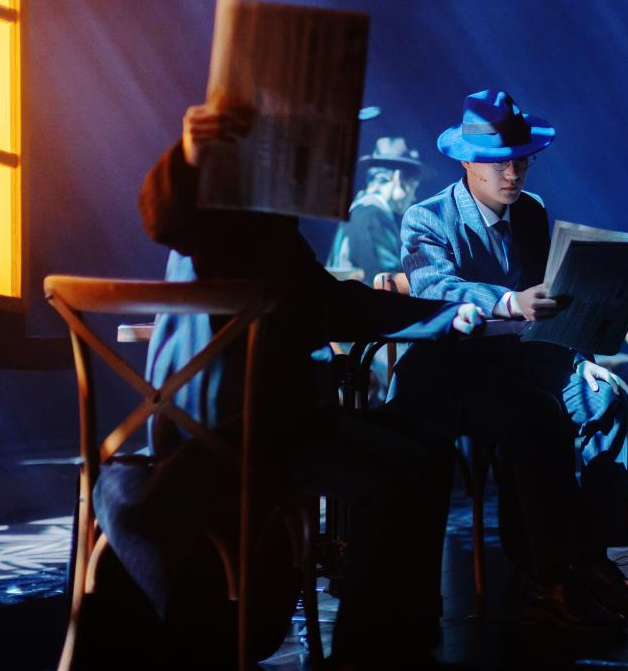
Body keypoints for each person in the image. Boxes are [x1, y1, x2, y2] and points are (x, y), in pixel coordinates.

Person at [86, 97, 483, 668]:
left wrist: (444, 315)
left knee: (420, 446)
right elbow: (167, 218)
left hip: (230, 431)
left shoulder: (263, 228)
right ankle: (373, 654)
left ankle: (385, 643)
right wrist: (191, 153)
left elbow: (331, 304)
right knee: (409, 469)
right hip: (247, 437)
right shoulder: (219, 218)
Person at [390, 89, 628, 633]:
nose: (513, 173)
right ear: (468, 161)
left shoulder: (530, 212)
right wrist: (509, 302)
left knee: (609, 399)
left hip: (525, 360)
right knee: (533, 413)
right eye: (499, 163)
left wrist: (580, 352)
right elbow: (434, 288)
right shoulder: (428, 218)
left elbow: (550, 296)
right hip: (453, 372)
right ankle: (549, 576)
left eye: (522, 160)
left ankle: (593, 560)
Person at [327, 136, 424, 277]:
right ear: (398, 178)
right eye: (414, 187)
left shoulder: (362, 206)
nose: (414, 197)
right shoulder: (373, 214)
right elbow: (385, 279)